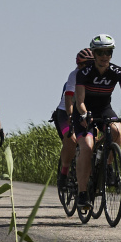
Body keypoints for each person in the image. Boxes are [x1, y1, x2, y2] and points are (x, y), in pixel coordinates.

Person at [72, 35, 121, 210]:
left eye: (108, 52)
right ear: (94, 54)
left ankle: (108, 166)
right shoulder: (84, 73)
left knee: (117, 130)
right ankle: (82, 194)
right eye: (101, 52)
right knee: (87, 147)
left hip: (104, 109)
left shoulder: (118, 72)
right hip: (84, 111)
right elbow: (79, 100)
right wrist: (84, 114)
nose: (105, 56)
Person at [52, 48, 94, 182]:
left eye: (88, 64)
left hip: (85, 111)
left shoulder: (96, 75)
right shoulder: (74, 75)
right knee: (71, 140)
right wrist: (71, 116)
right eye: (81, 65)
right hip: (65, 112)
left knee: (95, 140)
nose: (82, 68)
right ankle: (64, 172)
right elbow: (69, 99)